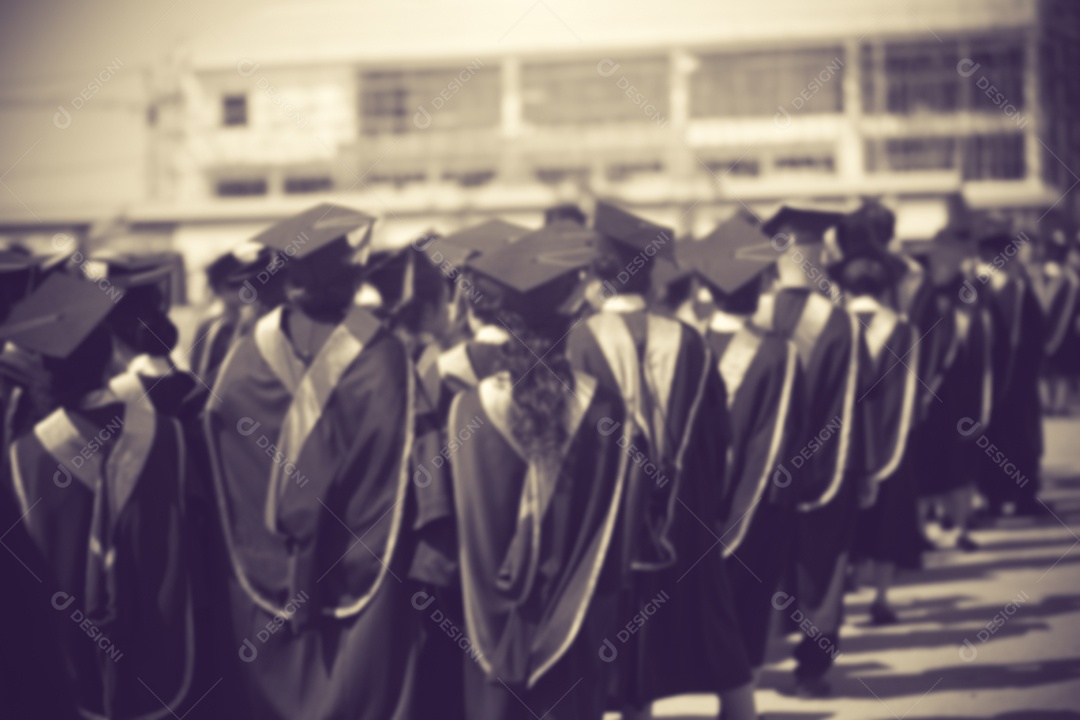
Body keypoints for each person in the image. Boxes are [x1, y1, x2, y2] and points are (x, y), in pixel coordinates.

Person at [203, 203, 423, 720]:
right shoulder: (384, 355)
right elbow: (412, 462)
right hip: (360, 566)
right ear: (349, 277)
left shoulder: (241, 360)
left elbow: (217, 453)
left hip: (264, 570)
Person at [568, 201, 754, 720]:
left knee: (624, 624)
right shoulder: (689, 341)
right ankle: (740, 710)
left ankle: (637, 710)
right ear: (650, 277)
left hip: (610, 516)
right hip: (687, 513)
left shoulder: (577, 342)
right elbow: (717, 434)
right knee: (708, 617)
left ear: (596, 275)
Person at [447, 223, 629, 720]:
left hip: (490, 613)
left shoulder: (466, 411)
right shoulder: (603, 408)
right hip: (575, 620)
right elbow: (612, 530)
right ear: (572, 320)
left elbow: (461, 525)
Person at [2, 272, 197, 720]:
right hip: (157, 627)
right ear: (109, 357)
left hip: (65, 645)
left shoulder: (25, 455)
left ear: (46, 371)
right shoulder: (168, 437)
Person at [676, 214, 804, 681]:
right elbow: (790, 434)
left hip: (692, 501)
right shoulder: (780, 352)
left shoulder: (685, 345)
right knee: (749, 595)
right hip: (759, 501)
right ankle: (742, 683)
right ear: (762, 287)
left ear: (707, 289)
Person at [756, 204, 867, 697]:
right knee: (822, 567)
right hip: (826, 467)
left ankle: (745, 670)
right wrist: (863, 469)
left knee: (759, 562)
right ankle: (811, 671)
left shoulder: (751, 317)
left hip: (760, 472)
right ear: (818, 254)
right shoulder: (841, 323)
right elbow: (861, 399)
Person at [830, 230, 922, 624]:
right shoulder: (901, 329)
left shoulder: (832, 326)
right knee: (888, 520)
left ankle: (836, 599)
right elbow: (907, 391)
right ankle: (881, 599)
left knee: (840, 524)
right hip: (889, 440)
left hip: (839, 444)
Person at [973, 216, 1045, 517]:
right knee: (990, 439)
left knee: (1021, 438)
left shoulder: (1020, 290)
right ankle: (993, 496)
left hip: (1017, 382)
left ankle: (1023, 496)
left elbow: (1037, 333)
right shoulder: (975, 290)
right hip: (986, 381)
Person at [1029, 213, 1079, 415]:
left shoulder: (1071, 281)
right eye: (1051, 248)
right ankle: (1045, 403)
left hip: (1065, 332)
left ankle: (1059, 404)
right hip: (1038, 330)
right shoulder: (1034, 274)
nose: (1054, 253)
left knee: (1062, 367)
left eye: (1058, 249)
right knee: (1041, 368)